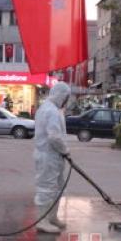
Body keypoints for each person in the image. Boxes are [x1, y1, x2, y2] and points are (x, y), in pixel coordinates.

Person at [33, 82, 72, 233]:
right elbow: (54, 137)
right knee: (46, 188)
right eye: (66, 98)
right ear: (61, 95)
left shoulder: (50, 109)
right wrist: (65, 151)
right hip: (48, 156)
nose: (66, 101)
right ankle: (42, 221)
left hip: (54, 156)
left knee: (57, 187)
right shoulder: (51, 111)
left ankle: (51, 217)